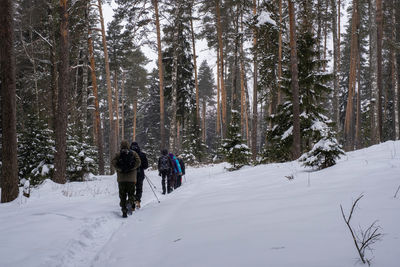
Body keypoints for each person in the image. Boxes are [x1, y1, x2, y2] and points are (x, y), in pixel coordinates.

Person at [112, 140, 141, 218]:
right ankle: (129, 203)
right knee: (131, 194)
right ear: (128, 145)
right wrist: (132, 168)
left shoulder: (118, 154)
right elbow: (138, 162)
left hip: (121, 179)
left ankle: (124, 210)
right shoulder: (134, 153)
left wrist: (119, 169)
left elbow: (113, 162)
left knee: (122, 195)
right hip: (131, 179)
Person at [130, 141, 148, 209]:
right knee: (139, 188)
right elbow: (146, 166)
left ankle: (132, 203)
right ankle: (137, 200)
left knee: (131, 189)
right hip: (140, 174)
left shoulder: (128, 154)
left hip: (130, 174)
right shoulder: (142, 154)